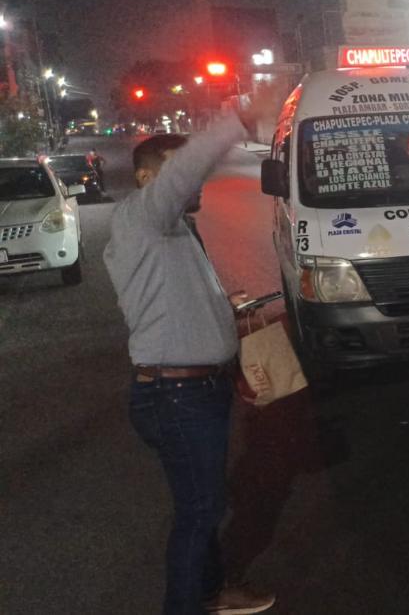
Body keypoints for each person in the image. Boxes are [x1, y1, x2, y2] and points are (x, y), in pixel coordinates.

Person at [104, 112, 276, 615]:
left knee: (202, 503)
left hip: (191, 390)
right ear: (146, 178)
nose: (194, 181)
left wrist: (230, 311)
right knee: (200, 509)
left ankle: (211, 591)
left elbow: (178, 302)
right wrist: (233, 122)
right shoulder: (140, 217)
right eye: (179, 170)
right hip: (176, 394)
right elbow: (185, 170)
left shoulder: (174, 231)